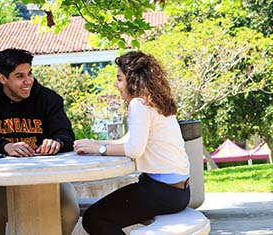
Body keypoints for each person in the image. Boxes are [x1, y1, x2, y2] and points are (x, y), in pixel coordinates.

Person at [73, 51, 190, 235]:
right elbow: (126, 140)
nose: (116, 84)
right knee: (102, 215)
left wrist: (99, 149)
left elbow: (134, 149)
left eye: (119, 79)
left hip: (162, 192)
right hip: (179, 192)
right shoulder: (155, 102)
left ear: (133, 80)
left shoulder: (139, 104)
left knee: (94, 219)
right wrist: (94, 143)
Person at [0, 48, 79, 235]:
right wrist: (6, 146)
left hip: (49, 177)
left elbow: (66, 135)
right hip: (3, 180)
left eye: (29, 73)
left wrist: (57, 142)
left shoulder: (49, 99)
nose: (28, 81)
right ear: (3, 78)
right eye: (20, 76)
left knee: (69, 211)